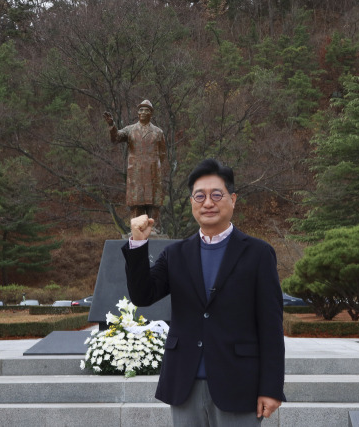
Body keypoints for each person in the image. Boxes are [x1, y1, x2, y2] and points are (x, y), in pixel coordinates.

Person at [121, 158, 286, 426]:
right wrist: (138, 244)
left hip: (239, 384)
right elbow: (142, 296)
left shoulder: (258, 253)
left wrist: (271, 388)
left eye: (216, 194)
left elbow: (270, 326)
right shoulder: (176, 254)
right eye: (200, 196)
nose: (208, 202)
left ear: (233, 199)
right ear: (192, 203)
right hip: (185, 384)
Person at [104, 100, 166, 226]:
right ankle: (136, 227)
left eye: (146, 110)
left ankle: (153, 227)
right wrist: (111, 125)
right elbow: (116, 138)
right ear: (138, 113)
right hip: (135, 171)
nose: (143, 112)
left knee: (152, 200)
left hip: (152, 171)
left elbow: (163, 153)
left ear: (151, 114)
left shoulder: (158, 132)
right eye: (141, 110)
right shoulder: (130, 130)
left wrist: (154, 164)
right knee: (136, 201)